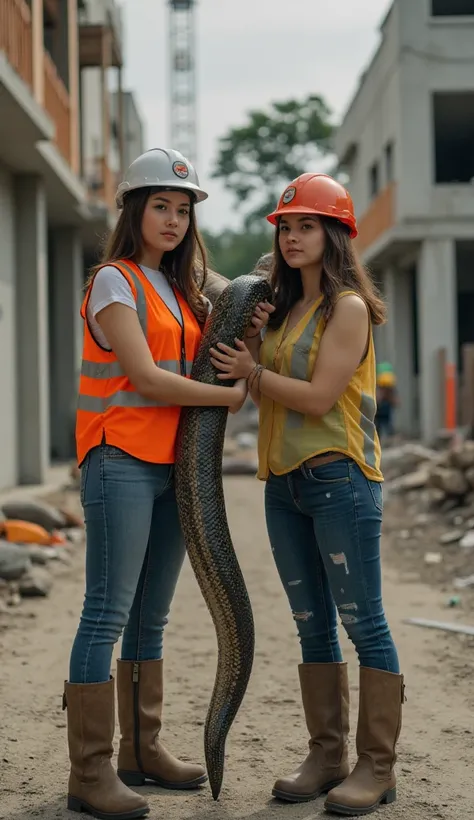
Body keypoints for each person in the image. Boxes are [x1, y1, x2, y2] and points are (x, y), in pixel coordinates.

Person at [64, 147, 271, 820]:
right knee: (106, 614)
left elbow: (220, 361)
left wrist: (250, 346)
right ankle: (89, 773)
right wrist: (228, 400)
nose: (174, 220)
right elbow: (149, 380)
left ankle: (141, 751)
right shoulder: (114, 282)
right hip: (119, 458)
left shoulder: (186, 292)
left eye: (183, 210)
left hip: (171, 468)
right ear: (133, 210)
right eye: (161, 206)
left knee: (150, 619)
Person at [209, 173, 405, 816]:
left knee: (363, 624)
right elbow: (264, 392)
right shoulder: (287, 308)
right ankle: (326, 755)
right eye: (285, 227)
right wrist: (259, 350)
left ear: (336, 234)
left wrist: (254, 368)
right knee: (310, 627)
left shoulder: (347, 307)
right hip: (284, 485)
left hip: (339, 479)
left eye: (307, 226)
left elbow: (320, 398)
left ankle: (376, 765)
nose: (292, 237)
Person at [375, 367, 398, 442]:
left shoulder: (390, 392)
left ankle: (390, 440)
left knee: (388, 427)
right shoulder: (379, 391)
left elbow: (395, 402)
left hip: (386, 414)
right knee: (379, 428)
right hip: (379, 414)